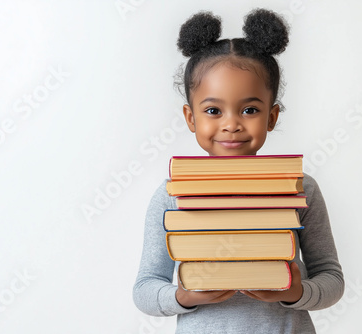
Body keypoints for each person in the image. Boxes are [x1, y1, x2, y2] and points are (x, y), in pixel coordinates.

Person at [133, 8, 344, 333]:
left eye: (249, 109)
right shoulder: (172, 195)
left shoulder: (301, 188)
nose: (231, 124)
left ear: (272, 117)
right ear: (191, 118)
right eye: (213, 110)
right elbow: (145, 288)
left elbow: (331, 278)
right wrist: (183, 296)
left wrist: (297, 292)